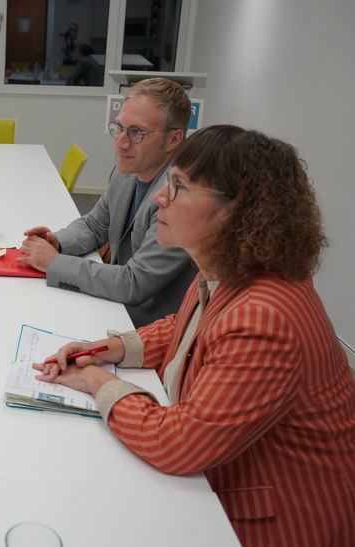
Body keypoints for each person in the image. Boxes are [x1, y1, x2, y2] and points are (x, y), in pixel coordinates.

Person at [34, 125, 355, 545]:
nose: (162, 197)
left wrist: (99, 382)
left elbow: (179, 444)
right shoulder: (231, 270)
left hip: (278, 521)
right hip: (223, 482)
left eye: (180, 187)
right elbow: (185, 329)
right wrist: (107, 349)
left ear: (239, 211)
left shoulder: (265, 317)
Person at [17, 77, 197, 327]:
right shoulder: (127, 170)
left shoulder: (180, 195)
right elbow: (95, 224)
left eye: (137, 132)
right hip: (112, 303)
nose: (121, 142)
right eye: (119, 128)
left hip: (146, 325)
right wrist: (57, 242)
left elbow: (134, 283)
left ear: (174, 140)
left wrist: (54, 262)